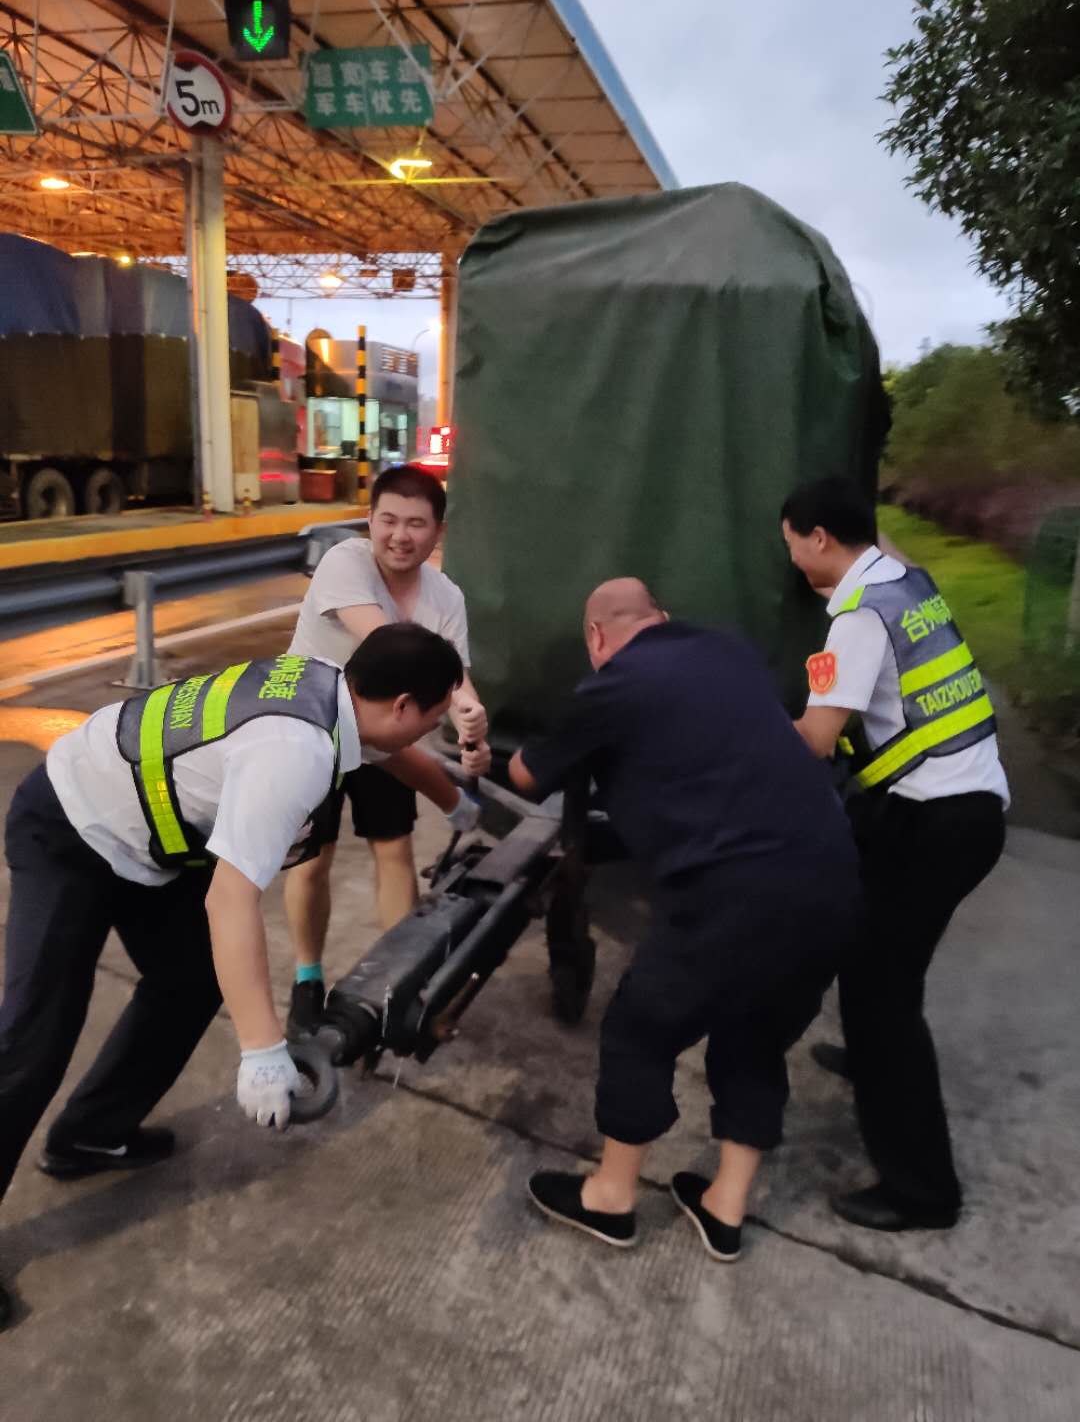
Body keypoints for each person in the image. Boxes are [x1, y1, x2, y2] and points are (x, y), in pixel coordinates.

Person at [0, 623, 464, 1332]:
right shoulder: (295, 753)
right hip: (70, 824)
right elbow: (230, 899)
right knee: (33, 1036)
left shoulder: (331, 686)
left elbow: (396, 754)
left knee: (189, 979)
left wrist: (461, 803)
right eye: (433, 719)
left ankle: (90, 1134)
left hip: (143, 842)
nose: (431, 731)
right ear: (402, 704)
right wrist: (261, 1050)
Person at [509, 579, 859, 1260]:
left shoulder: (615, 684)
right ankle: (725, 1207)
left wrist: (483, 748)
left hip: (733, 891)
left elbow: (527, 774)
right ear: (662, 619)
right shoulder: (727, 650)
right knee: (754, 1038)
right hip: (833, 881)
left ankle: (611, 1198)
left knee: (640, 1030)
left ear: (596, 637)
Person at [781, 476, 1009, 1232]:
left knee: (885, 996)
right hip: (955, 805)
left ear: (819, 538)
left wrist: (743, 730)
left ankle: (923, 1191)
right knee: (868, 948)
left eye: (792, 542)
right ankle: (869, 1055)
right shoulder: (906, 581)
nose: (791, 558)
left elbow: (816, 739)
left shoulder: (857, 621)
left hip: (938, 822)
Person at [283, 464, 489, 1041]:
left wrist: (472, 719)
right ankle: (307, 980)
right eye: (389, 520)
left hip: (385, 737)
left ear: (438, 532)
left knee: (394, 848)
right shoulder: (344, 562)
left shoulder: (446, 595)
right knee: (312, 859)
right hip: (310, 731)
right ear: (369, 521)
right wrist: (456, 698)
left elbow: (457, 675)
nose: (400, 535)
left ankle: (401, 977)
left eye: (416, 524)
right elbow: (390, 644)